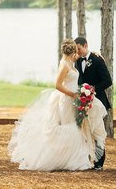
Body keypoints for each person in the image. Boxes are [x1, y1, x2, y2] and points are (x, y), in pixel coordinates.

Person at [8, 39, 107, 171]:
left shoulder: (71, 61)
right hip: (66, 100)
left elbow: (81, 56)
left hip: (75, 99)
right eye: (75, 50)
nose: (76, 53)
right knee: (69, 126)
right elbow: (57, 85)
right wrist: (72, 94)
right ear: (71, 50)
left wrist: (93, 53)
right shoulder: (64, 65)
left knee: (75, 126)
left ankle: (74, 158)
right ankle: (63, 159)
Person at [75, 36, 112, 170]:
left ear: (86, 46)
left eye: (79, 49)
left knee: (97, 132)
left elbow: (108, 81)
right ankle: (87, 160)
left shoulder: (97, 60)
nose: (77, 52)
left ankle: (99, 163)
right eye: (76, 50)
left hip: (97, 103)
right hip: (83, 103)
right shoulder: (77, 61)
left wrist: (92, 89)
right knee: (85, 131)